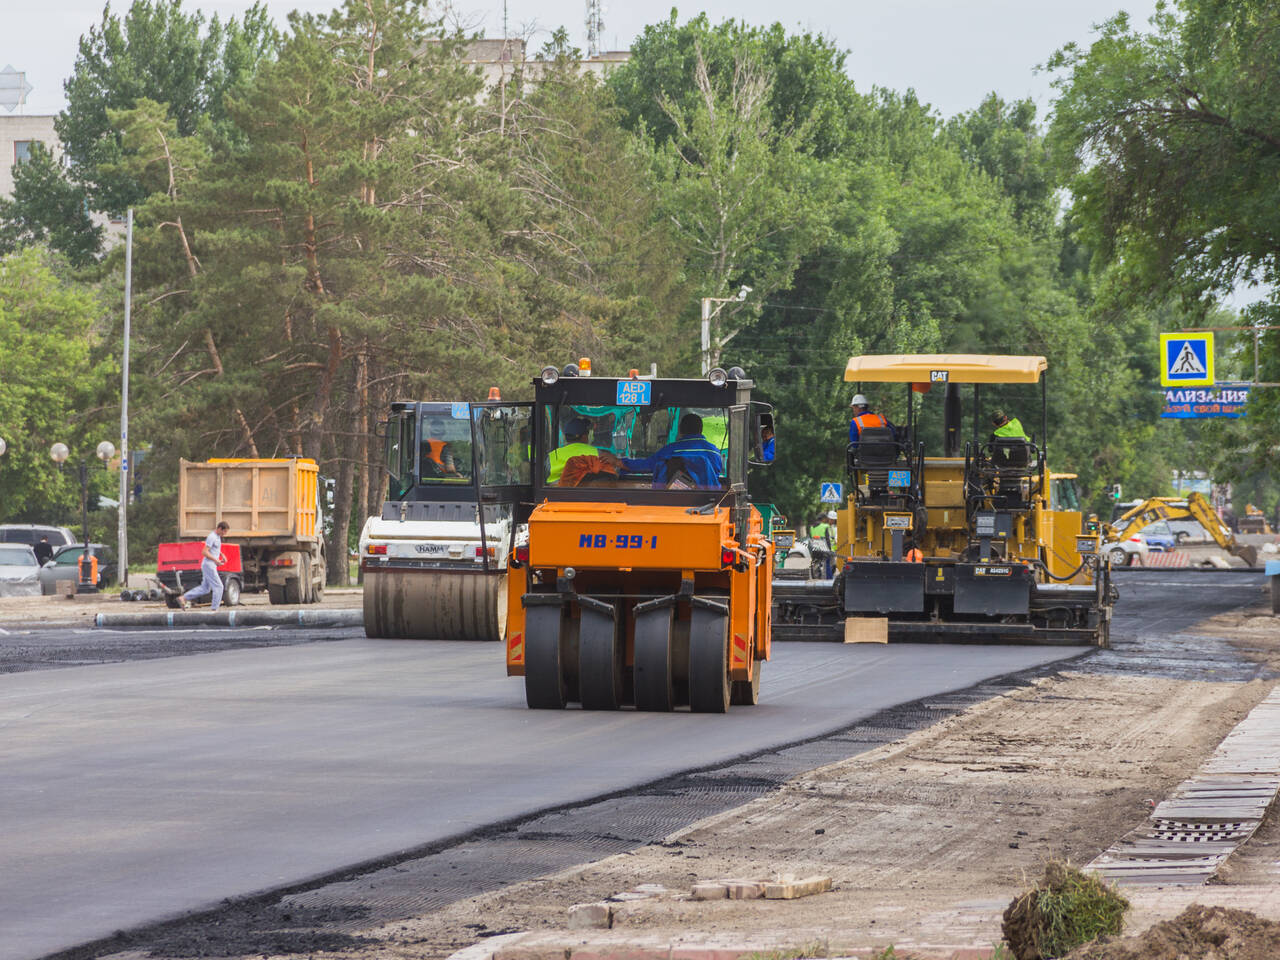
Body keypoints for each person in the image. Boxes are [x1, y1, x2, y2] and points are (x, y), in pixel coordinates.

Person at [621, 412, 723, 488]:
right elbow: (716, 476)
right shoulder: (714, 452)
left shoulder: (670, 450)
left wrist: (618, 462)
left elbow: (646, 466)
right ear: (701, 429)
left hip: (672, 502)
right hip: (708, 504)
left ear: (680, 430)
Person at [180, 521, 229, 611]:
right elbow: (204, 552)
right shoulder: (212, 537)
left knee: (205, 588)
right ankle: (214, 609)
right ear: (219, 529)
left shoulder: (217, 537)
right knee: (219, 587)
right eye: (224, 532)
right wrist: (216, 560)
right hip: (209, 565)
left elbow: (214, 548)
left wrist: (221, 555)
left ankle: (184, 598)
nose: (224, 534)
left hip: (210, 565)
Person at [547, 417, 606, 485]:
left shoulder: (553, 455)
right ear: (584, 436)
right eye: (588, 433)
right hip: (587, 494)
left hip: (555, 493)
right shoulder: (596, 452)